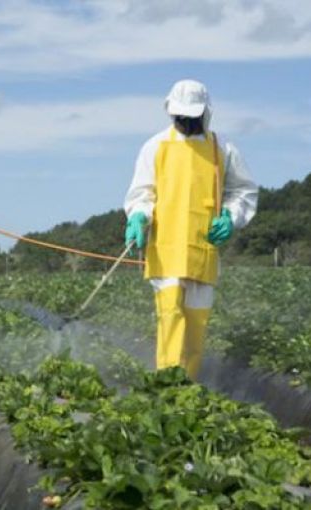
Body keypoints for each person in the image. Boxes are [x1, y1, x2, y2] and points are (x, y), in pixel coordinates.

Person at [124, 79, 257, 379]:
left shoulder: (222, 149)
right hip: (166, 250)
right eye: (180, 117)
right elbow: (142, 193)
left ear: (205, 114)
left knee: (196, 327)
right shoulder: (155, 147)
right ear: (171, 113)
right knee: (170, 318)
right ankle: (167, 388)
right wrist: (138, 218)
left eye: (191, 117)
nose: (185, 122)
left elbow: (243, 191)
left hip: (203, 250)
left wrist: (230, 217)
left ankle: (188, 390)